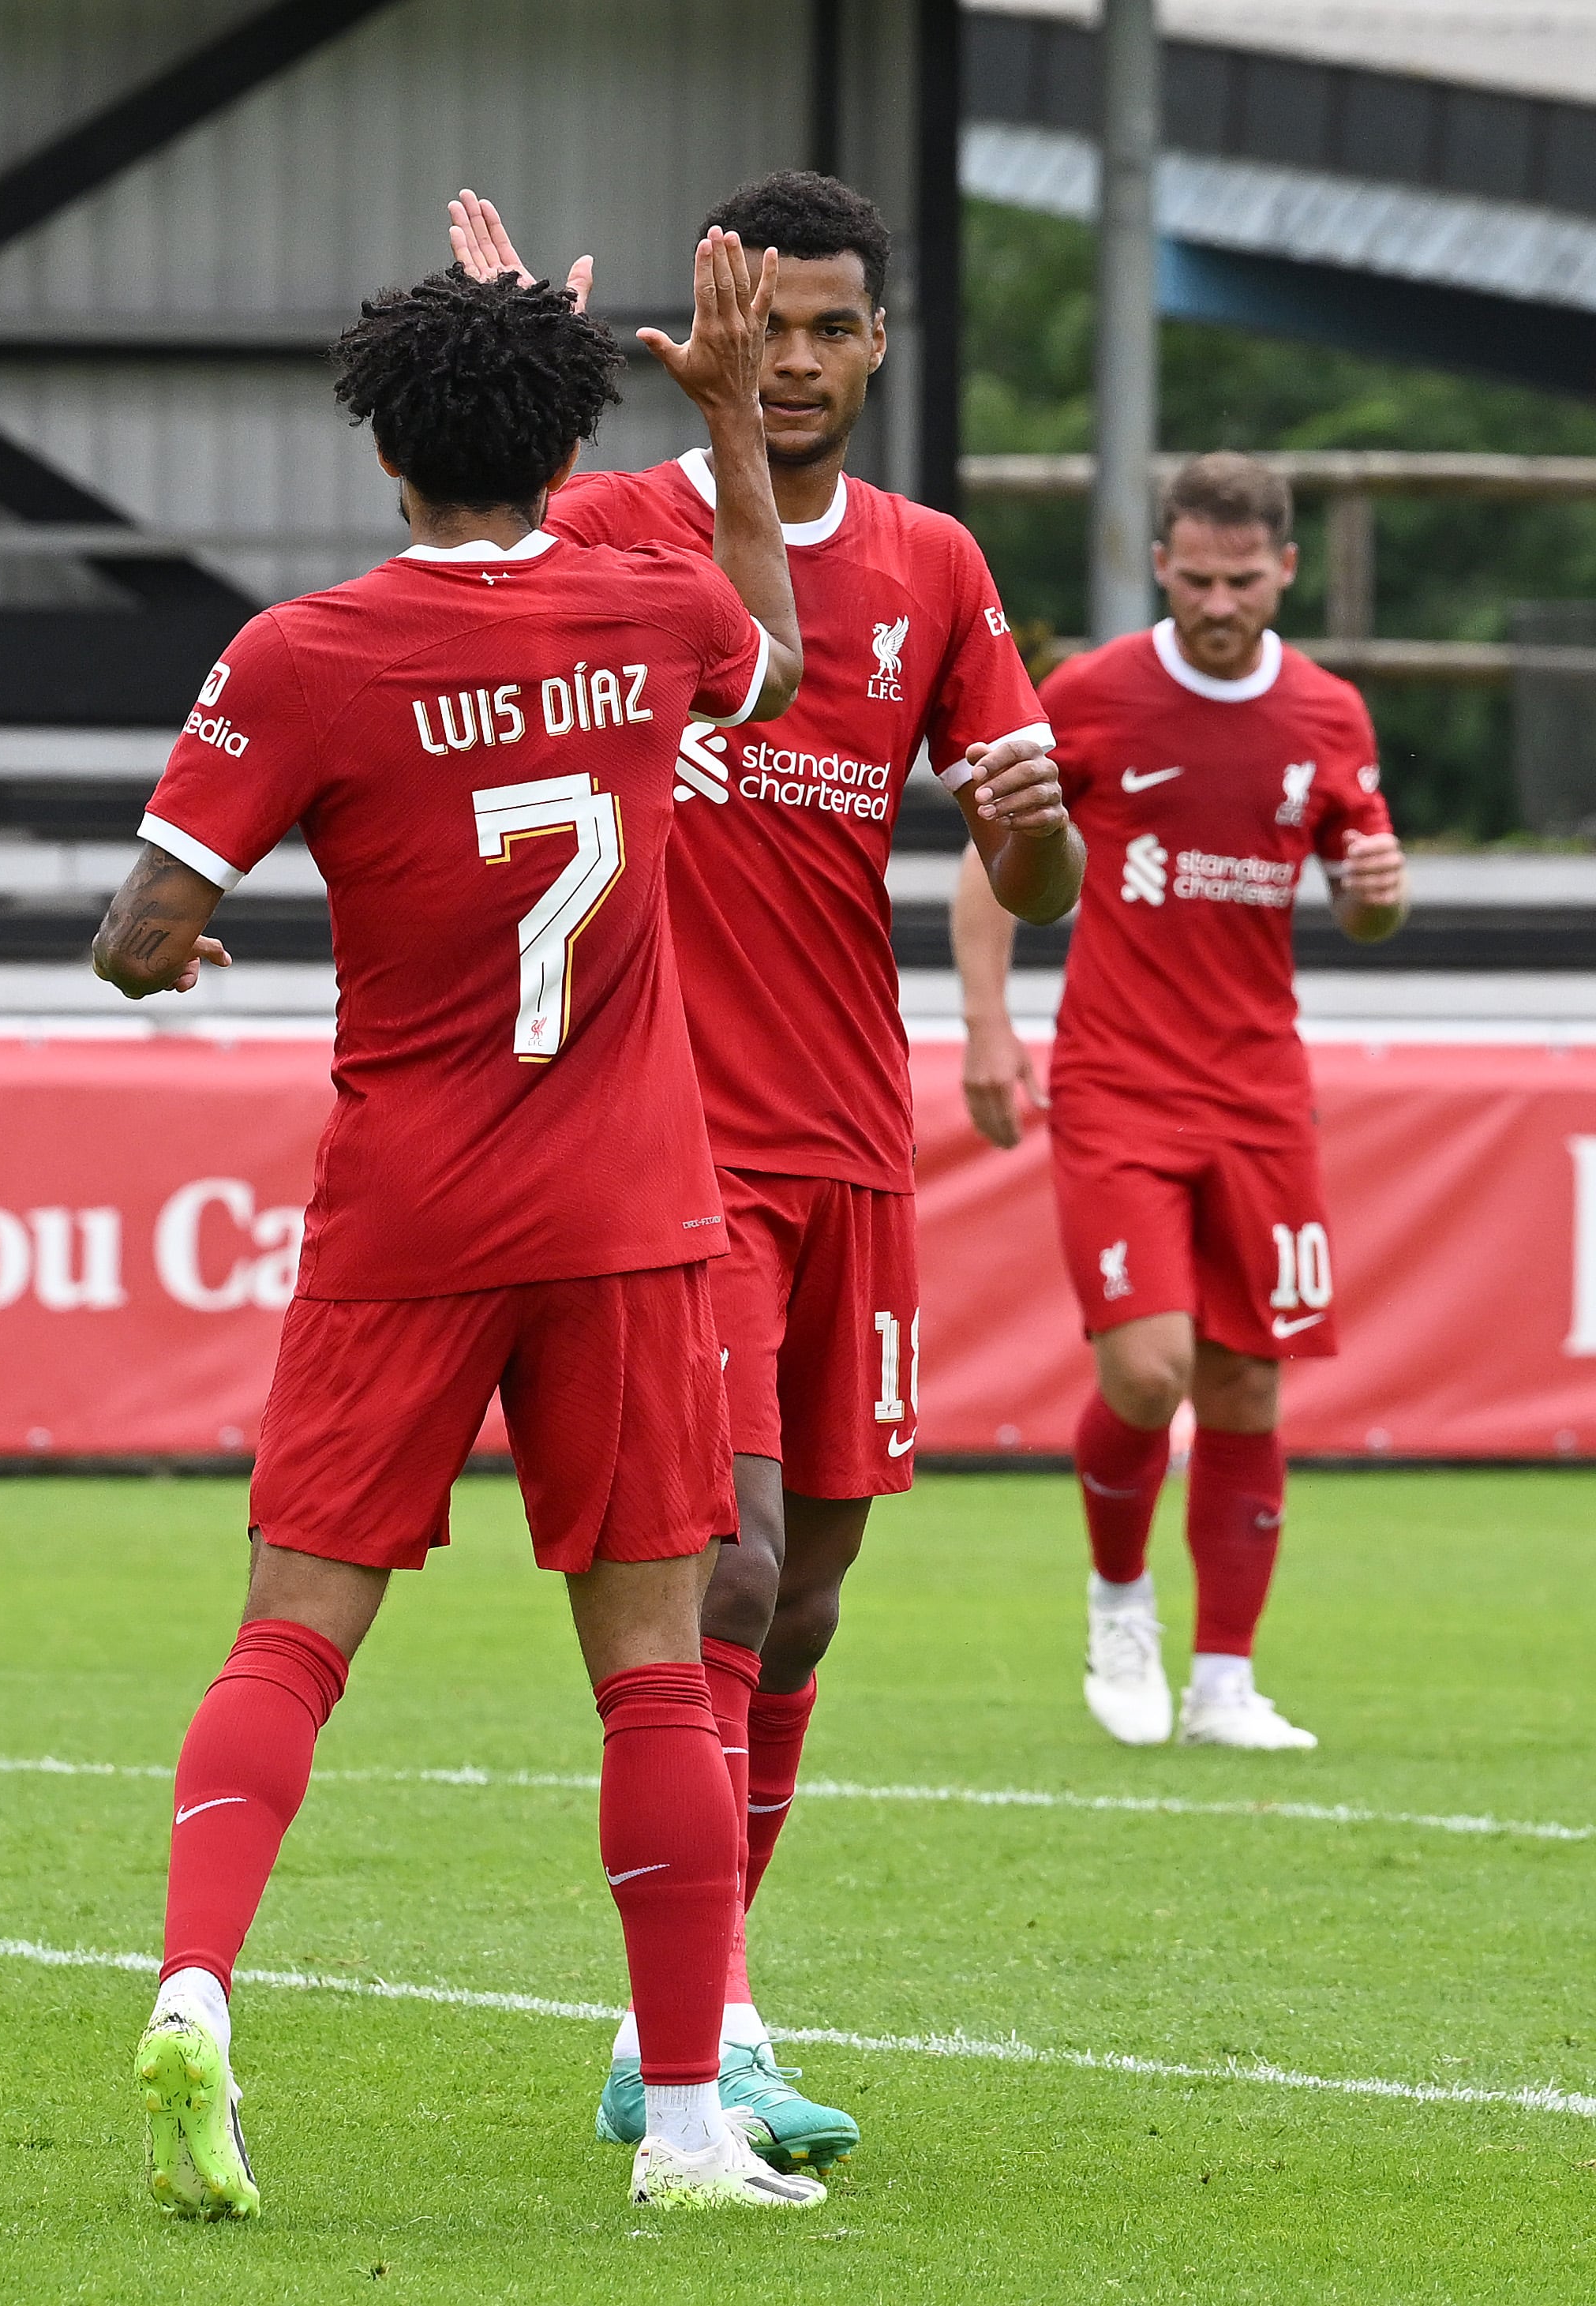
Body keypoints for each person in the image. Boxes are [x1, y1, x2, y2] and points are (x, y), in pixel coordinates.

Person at [92, 235, 833, 2213]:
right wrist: (724, 425)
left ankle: (192, 1989)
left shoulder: (303, 653)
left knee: (292, 1634)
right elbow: (770, 649)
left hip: (405, 1212)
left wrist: (171, 962)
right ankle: (684, 2125)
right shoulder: (648, 600)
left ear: (381, 451)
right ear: (568, 433)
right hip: (624, 1211)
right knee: (658, 1673)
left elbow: (139, 937)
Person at [448, 174, 1083, 2167]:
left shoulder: (938, 566)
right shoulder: (631, 524)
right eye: (764, 326)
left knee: (800, 1604)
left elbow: (1034, 884)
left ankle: (705, 2003)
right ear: (715, 331)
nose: (793, 362)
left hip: (852, 1147)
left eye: (827, 329)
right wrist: (516, 354)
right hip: (665, 1145)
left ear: (877, 344)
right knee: (714, 1565)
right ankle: (696, 2034)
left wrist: (1030, 811)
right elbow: (462, 544)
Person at [953, 450, 1409, 1751]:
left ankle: (1224, 1679)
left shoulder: (1328, 713)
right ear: (1160, 566)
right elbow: (996, 868)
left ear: (1286, 570)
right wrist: (987, 1023)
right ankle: (1117, 1598)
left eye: (1243, 578)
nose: (1220, 601)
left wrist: (1379, 889)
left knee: (1251, 1389)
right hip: (1119, 1083)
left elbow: (1367, 897)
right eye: (1197, 578)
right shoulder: (1093, 693)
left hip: (1263, 1094)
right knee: (1150, 1371)